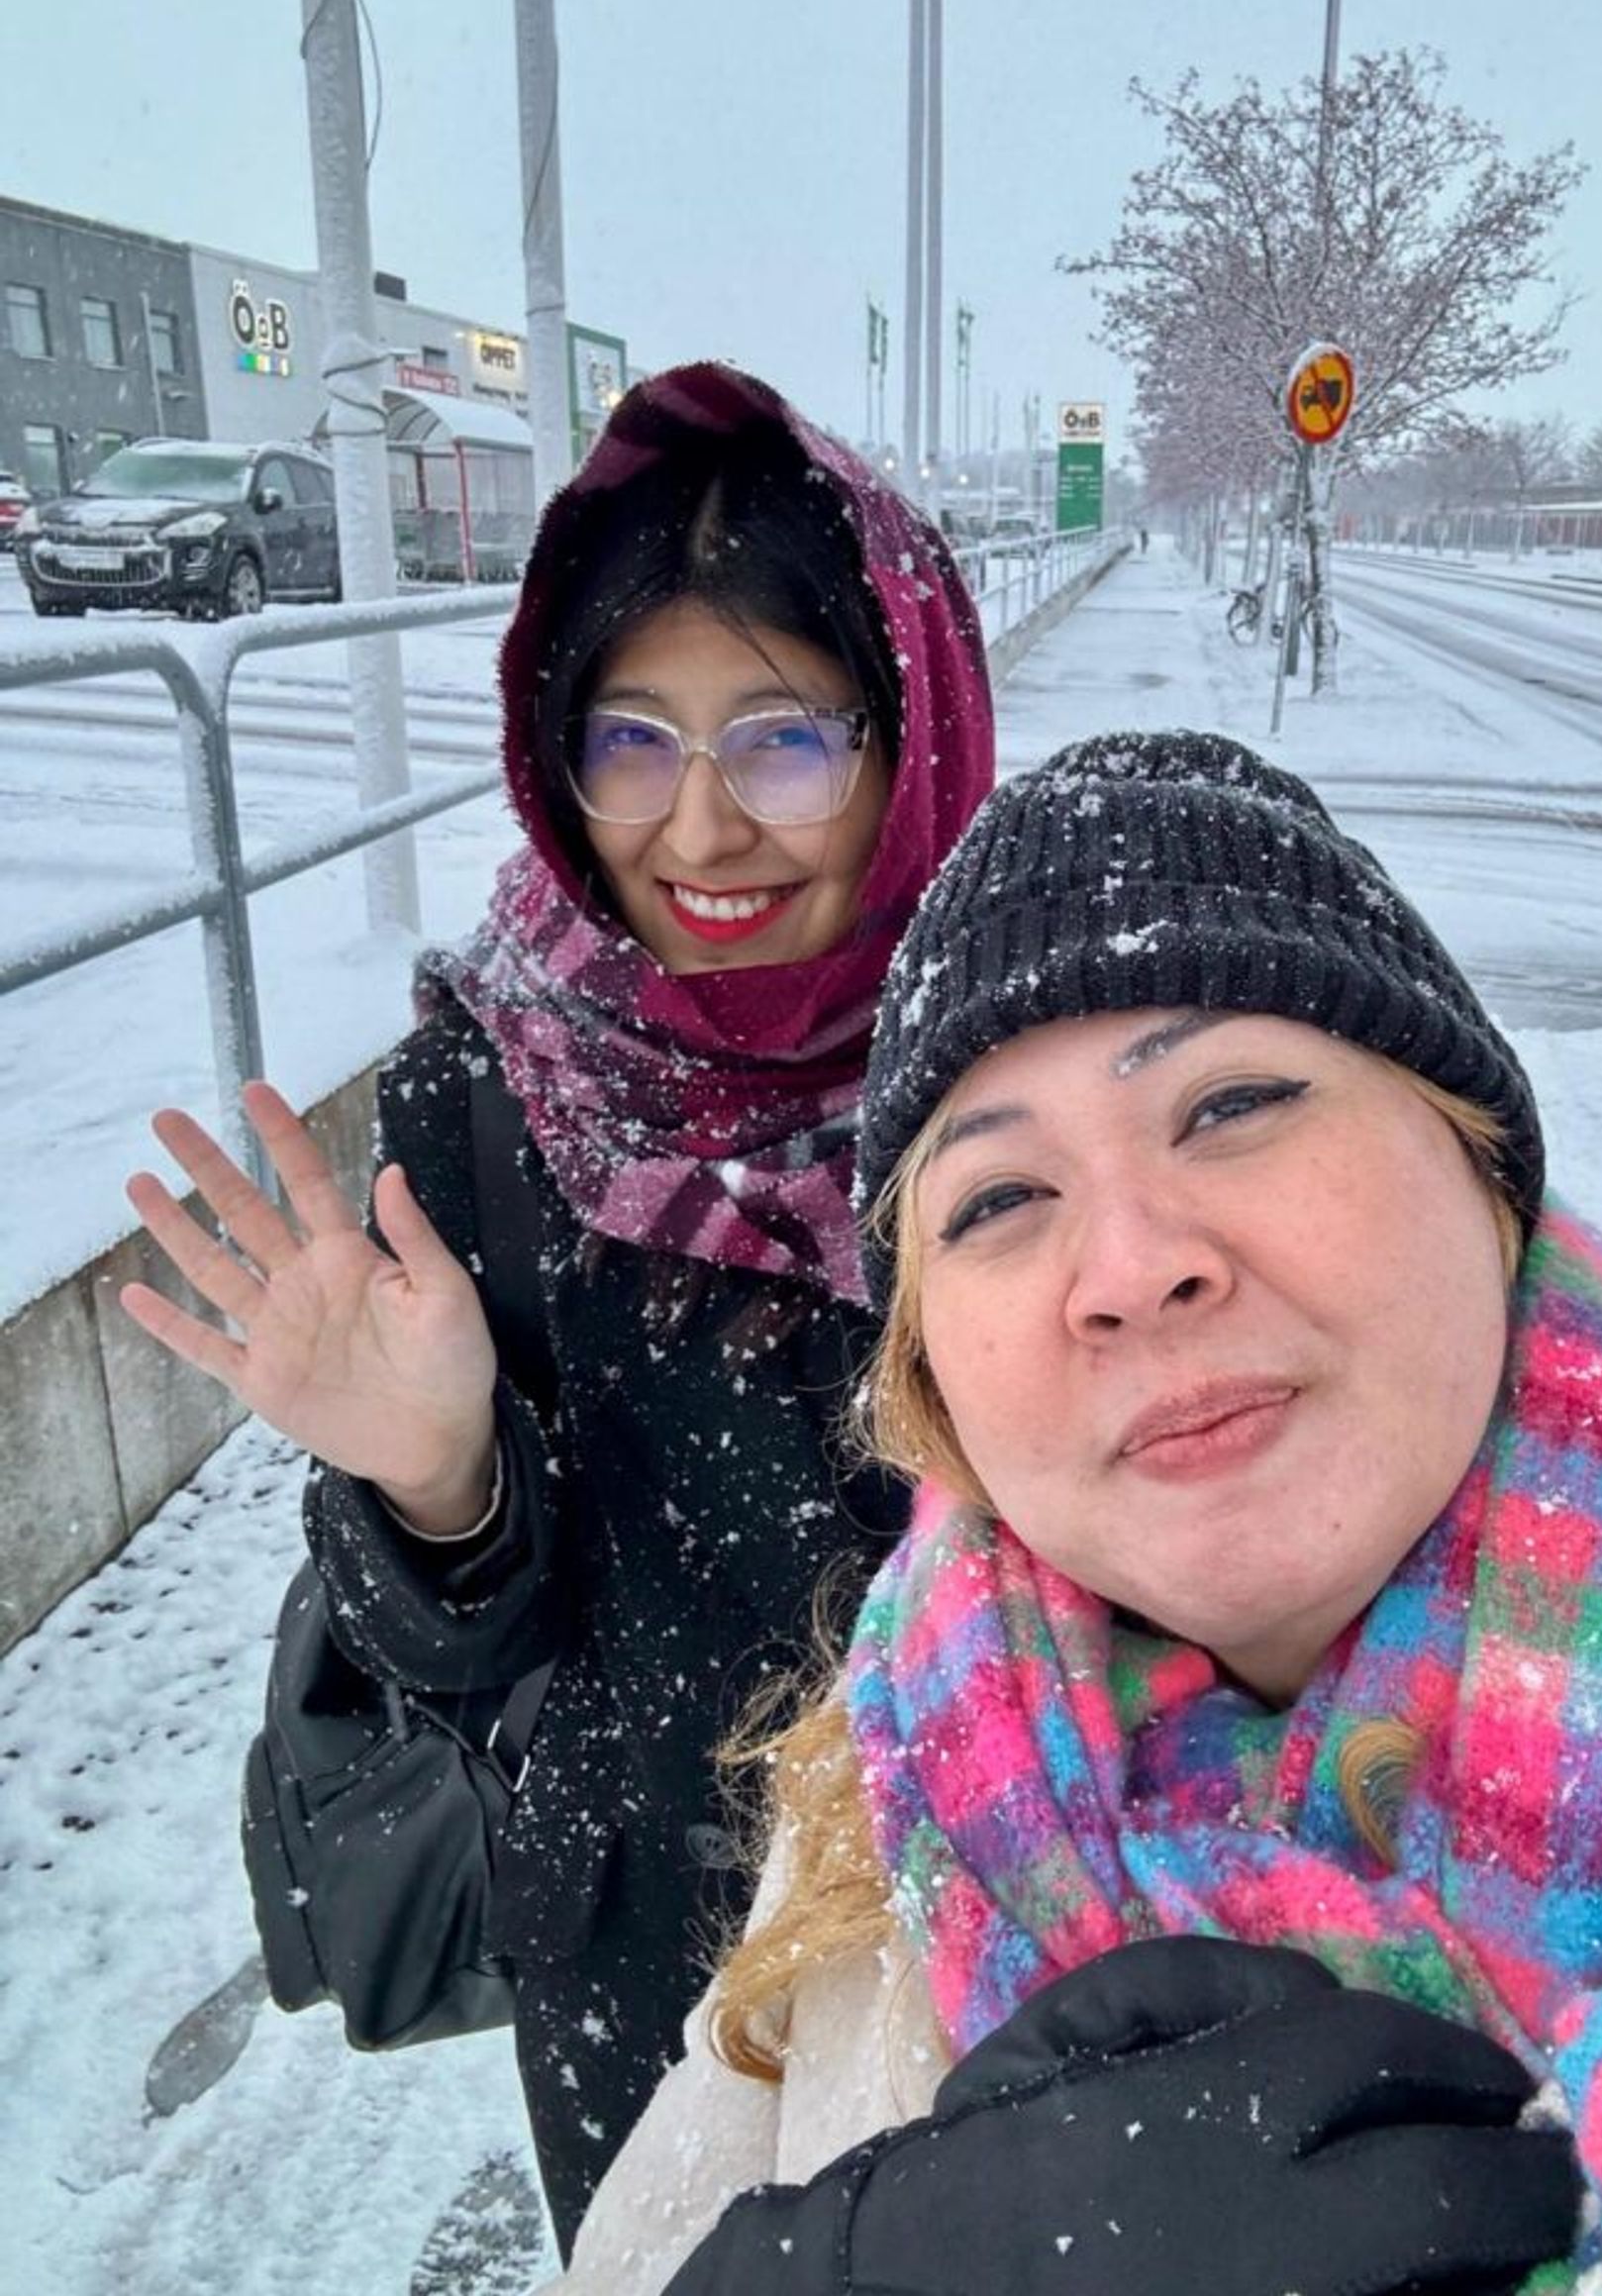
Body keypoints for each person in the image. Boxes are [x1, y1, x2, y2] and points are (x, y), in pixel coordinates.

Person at [552, 730, 1602, 2296]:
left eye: (1233, 1103)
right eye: (998, 1201)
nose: (1131, 1268)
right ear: (939, 1383)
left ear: (1486, 1170)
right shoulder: (888, 1790)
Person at [118, 360, 995, 2256]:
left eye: (783, 739)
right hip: (639, 1936)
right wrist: (436, 1489)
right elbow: (475, 1656)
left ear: (911, 727)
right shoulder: (497, 1089)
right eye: (631, 738)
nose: (699, 827)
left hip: (993, 1897)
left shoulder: (1019, 1075)